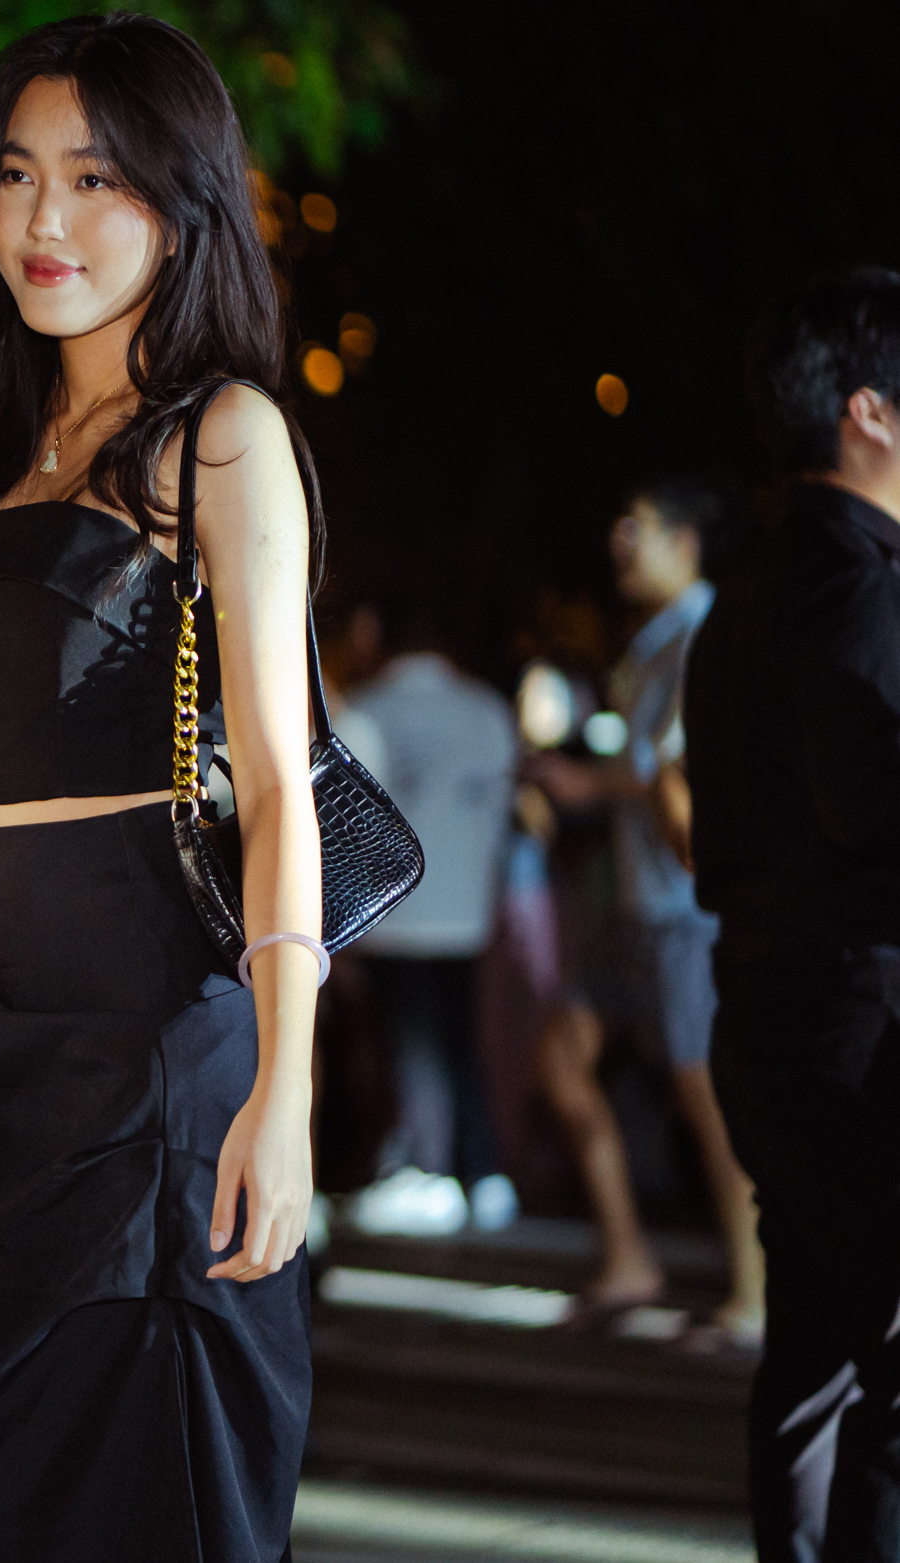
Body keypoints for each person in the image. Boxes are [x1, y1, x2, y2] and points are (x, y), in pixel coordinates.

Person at [0, 13, 321, 1559]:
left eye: (94, 179)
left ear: (182, 209)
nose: (42, 220)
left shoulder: (224, 440)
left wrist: (286, 1087)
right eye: (15, 176)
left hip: (157, 1055)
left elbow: (277, 783)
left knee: (158, 1493)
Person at [685, 265, 900, 1563]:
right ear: (869, 412)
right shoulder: (861, 582)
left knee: (815, 1354)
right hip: (859, 1019)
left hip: (764, 1008)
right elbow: (875, 804)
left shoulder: (746, 593)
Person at [530, 481, 763, 1346]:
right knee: (561, 1060)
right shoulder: (656, 639)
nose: (620, 539)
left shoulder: (706, 633)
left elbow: (681, 766)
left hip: (683, 908)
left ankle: (755, 1295)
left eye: (639, 526)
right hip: (636, 905)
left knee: (709, 1099)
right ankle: (628, 1258)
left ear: (686, 540)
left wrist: (588, 783)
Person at [344, 600, 520, 1235]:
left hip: (397, 914)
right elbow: (499, 815)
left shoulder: (369, 711)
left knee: (412, 1048)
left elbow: (352, 822)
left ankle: (427, 1171)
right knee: (459, 1042)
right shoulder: (487, 709)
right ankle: (484, 1173)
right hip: (468, 911)